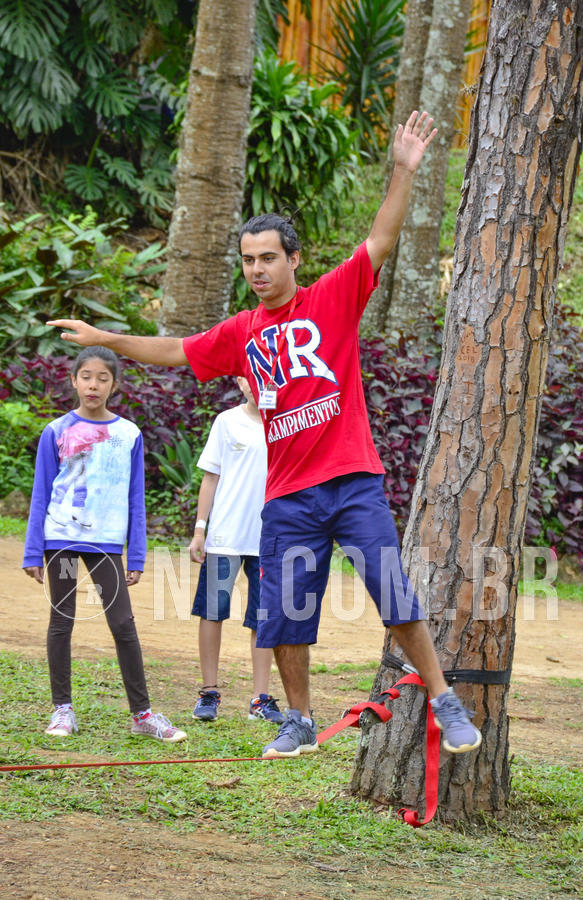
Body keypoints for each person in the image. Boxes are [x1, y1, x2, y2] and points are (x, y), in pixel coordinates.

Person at [48, 110, 482, 759]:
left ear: (293, 260)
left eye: (268, 258)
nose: (257, 269)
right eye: (249, 260)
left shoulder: (332, 297)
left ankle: (445, 698)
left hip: (352, 481)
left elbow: (380, 238)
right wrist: (105, 338)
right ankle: (299, 720)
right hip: (287, 497)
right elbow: (175, 350)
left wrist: (402, 170)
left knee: (394, 595)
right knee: (284, 618)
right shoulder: (240, 332)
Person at [22, 346, 187, 743]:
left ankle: (142, 714)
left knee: (122, 623)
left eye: (102, 378)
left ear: (114, 385)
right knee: (62, 620)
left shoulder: (128, 434)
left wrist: (137, 553)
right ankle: (63, 710)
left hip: (106, 544)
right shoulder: (56, 431)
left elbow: (135, 498)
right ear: (74, 380)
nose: (93, 385)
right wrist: (32, 550)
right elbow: (41, 492)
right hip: (62, 540)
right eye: (86, 377)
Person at [189, 375, 284, 725]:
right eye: (252, 378)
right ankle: (209, 692)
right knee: (212, 611)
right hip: (225, 536)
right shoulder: (226, 422)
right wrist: (200, 529)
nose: (260, 386)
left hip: (269, 537)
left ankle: (260, 698)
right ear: (241, 382)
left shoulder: (285, 425)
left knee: (263, 616)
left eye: (269, 379)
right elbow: (210, 477)